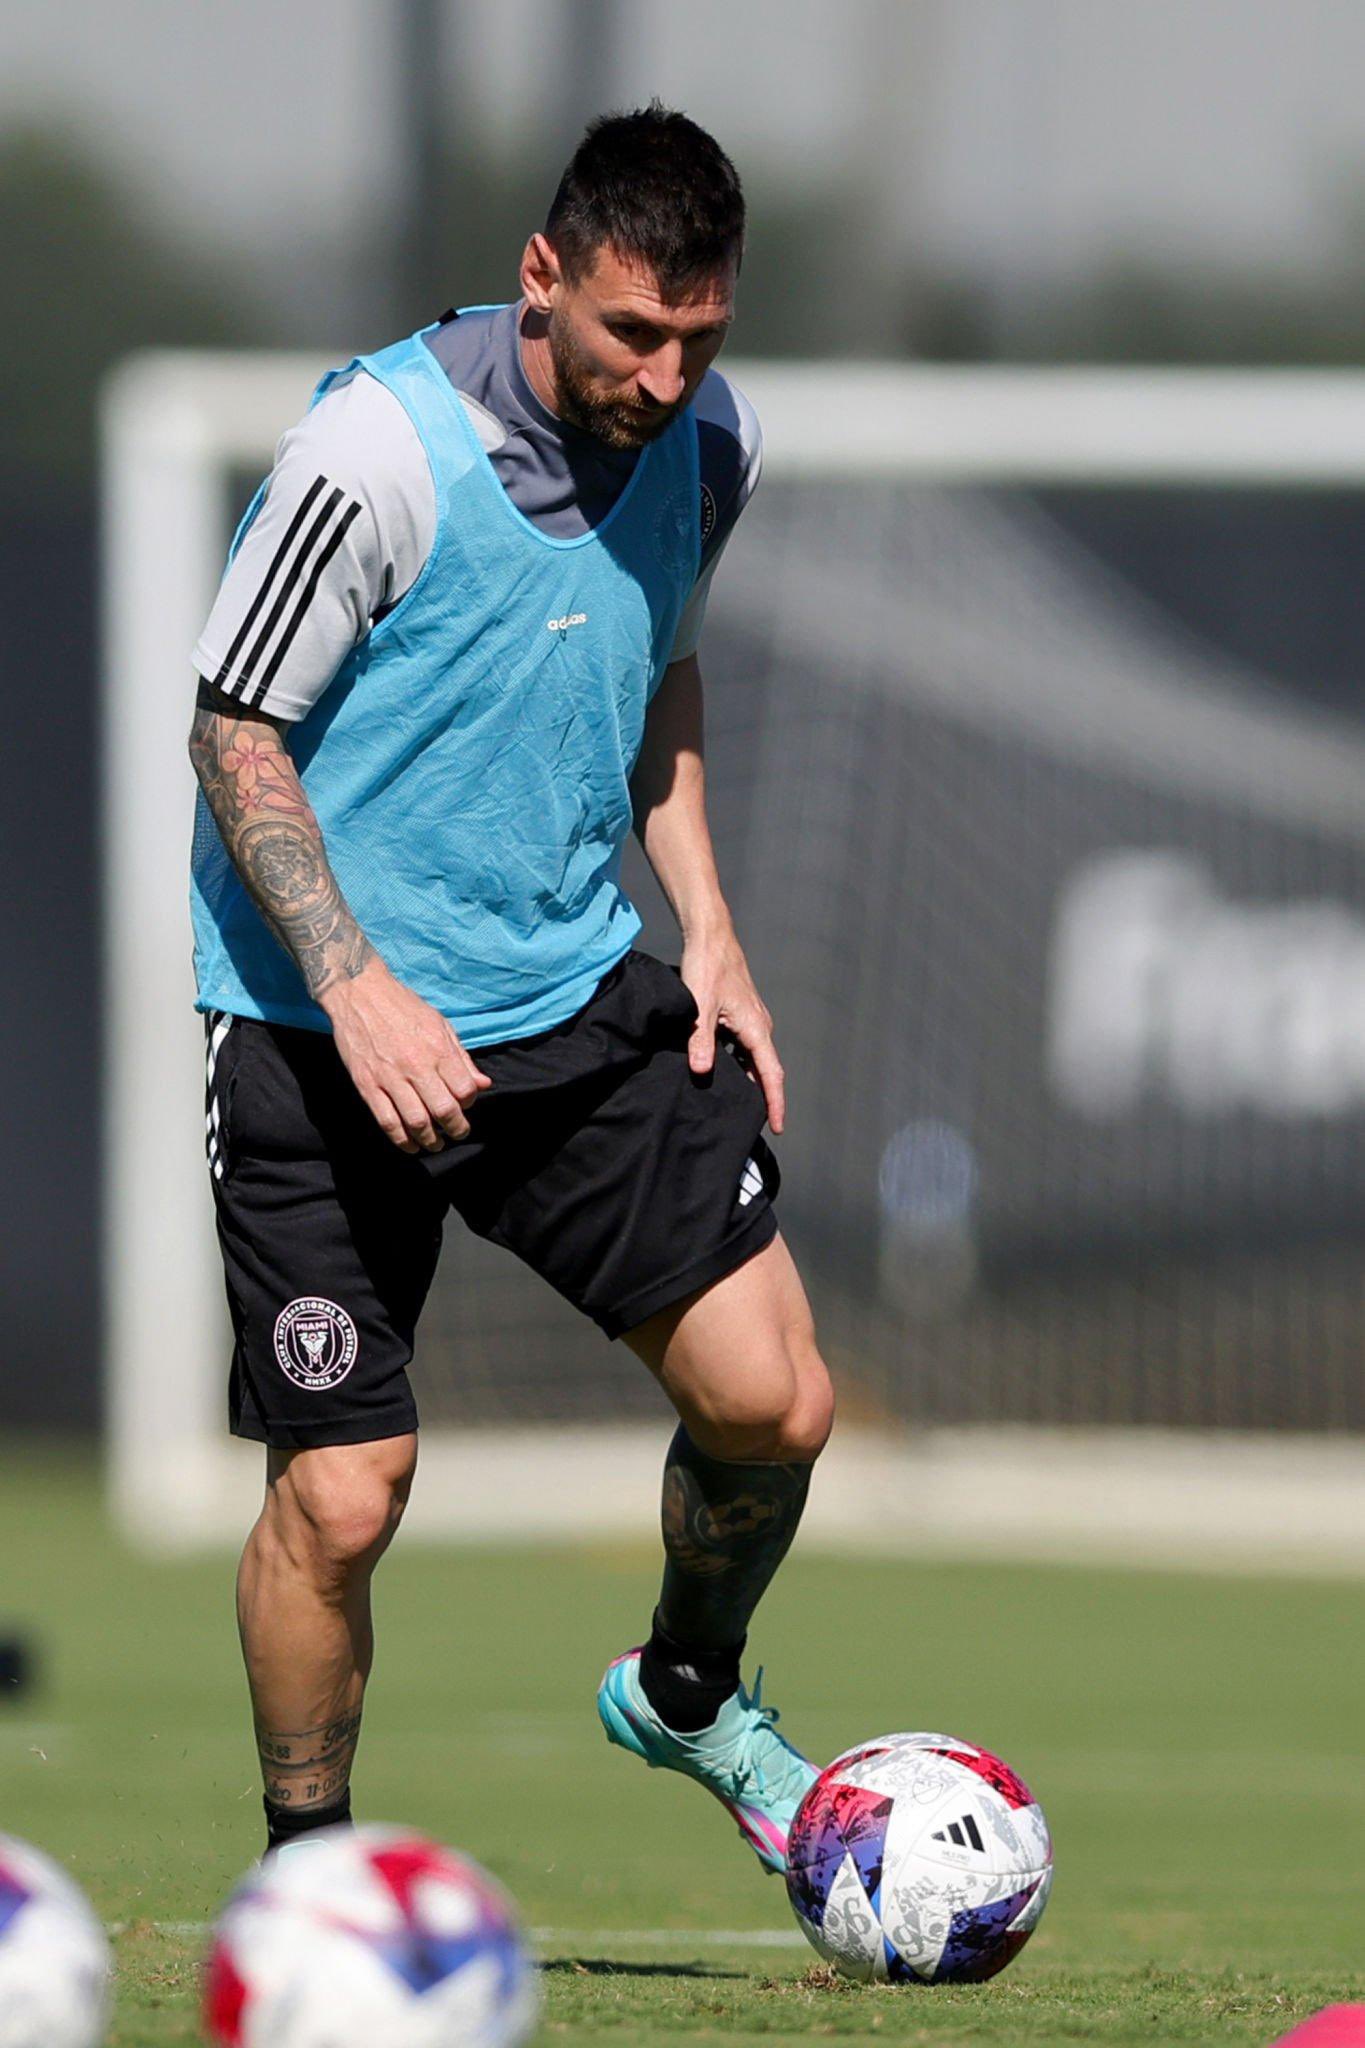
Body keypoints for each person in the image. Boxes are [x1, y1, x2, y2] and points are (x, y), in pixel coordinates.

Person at [188, 103, 834, 1876]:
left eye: (699, 335)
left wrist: (709, 924)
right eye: (634, 330)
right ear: (542, 277)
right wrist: (359, 981)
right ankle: (306, 1884)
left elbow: (663, 675)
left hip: (562, 995)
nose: (664, 369)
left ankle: (691, 1691)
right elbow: (235, 732)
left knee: (775, 1401)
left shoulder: (712, 444)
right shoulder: (372, 455)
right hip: (325, 1037)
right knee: (343, 1493)